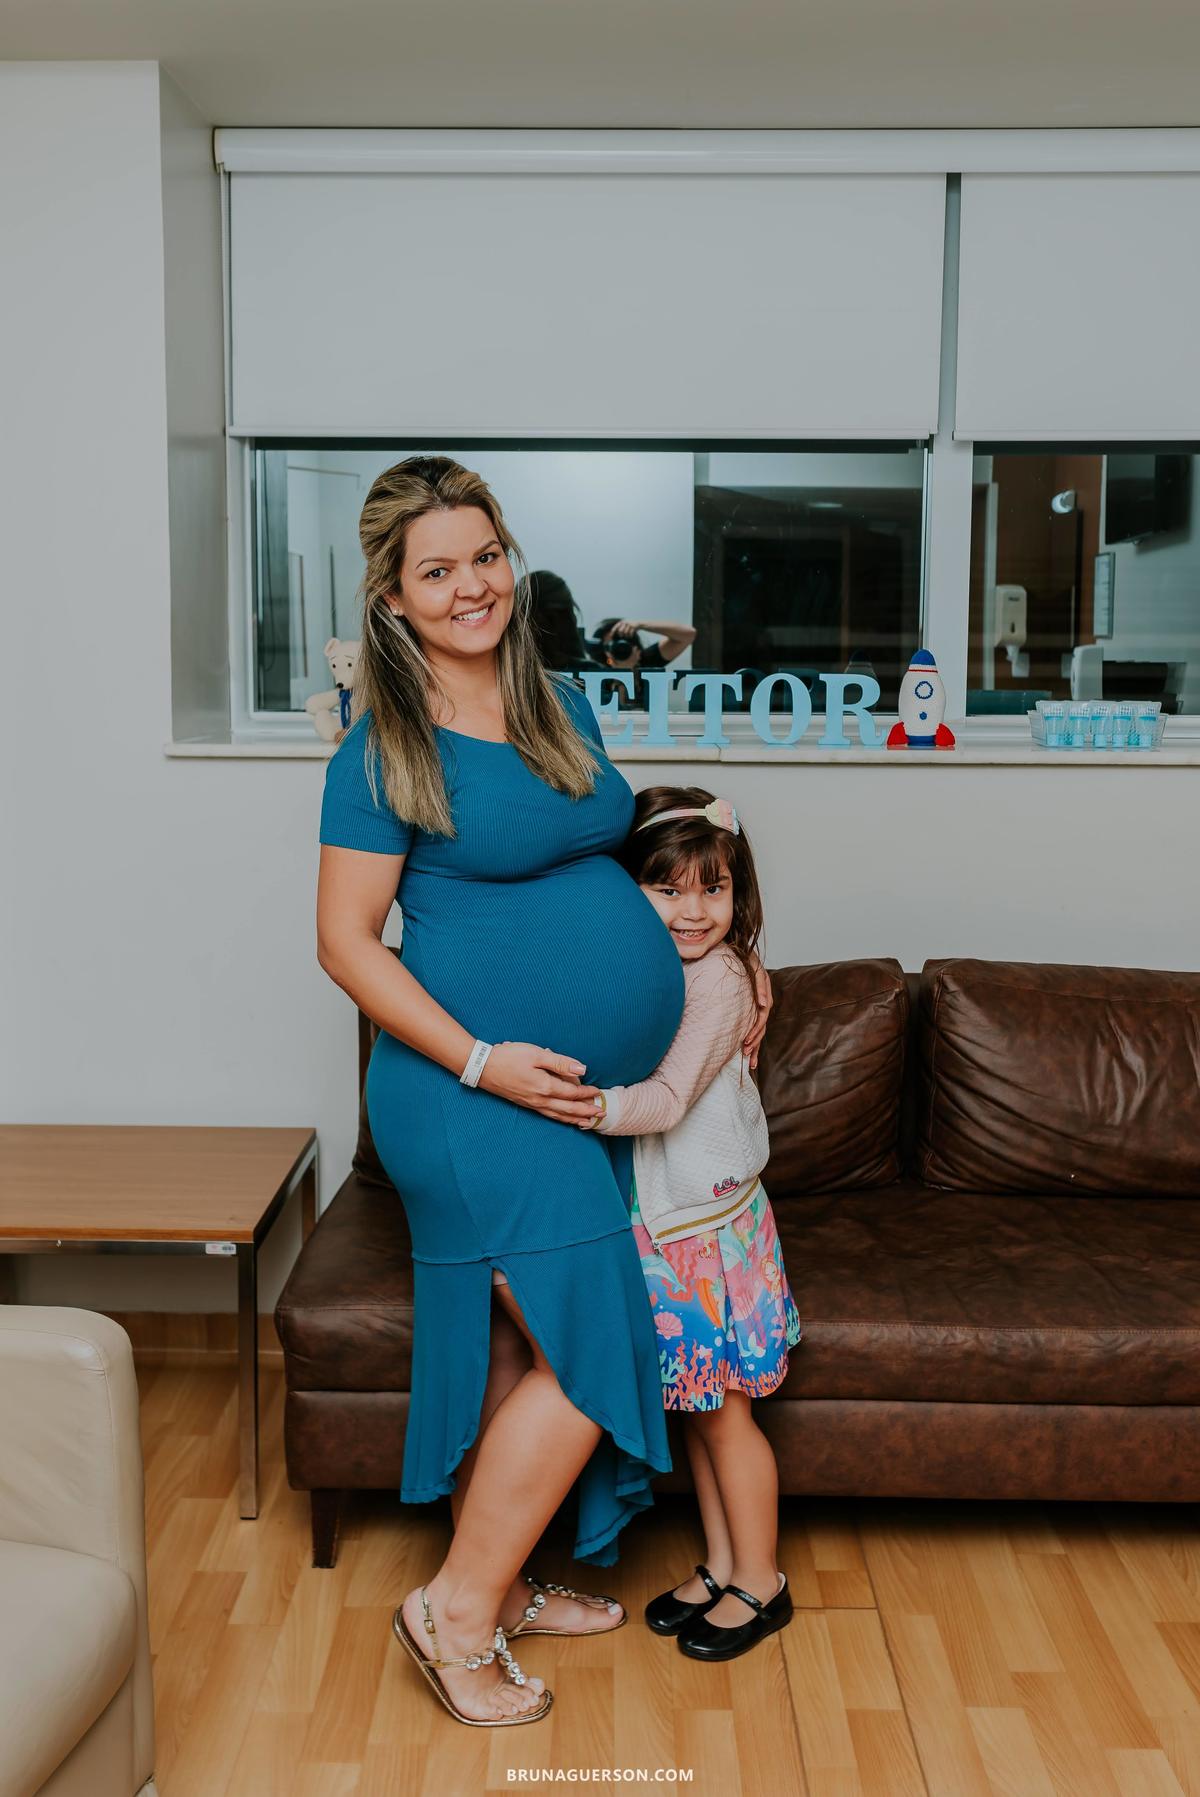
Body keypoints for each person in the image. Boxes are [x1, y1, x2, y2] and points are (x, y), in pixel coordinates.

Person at [314, 457, 774, 1727]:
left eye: (484, 557)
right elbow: (346, 943)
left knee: (523, 1343)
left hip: (549, 1098)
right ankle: (454, 1615)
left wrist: (734, 957)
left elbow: (619, 864)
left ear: (510, 558)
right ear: (395, 599)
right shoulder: (382, 749)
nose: (472, 588)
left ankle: (502, 1580)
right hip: (466, 1098)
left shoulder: (559, 700)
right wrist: (479, 1059)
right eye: (438, 571)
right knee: (593, 1339)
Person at [578, 785, 802, 1662]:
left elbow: (666, 1100)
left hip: (710, 1231)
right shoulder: (668, 967)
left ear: (739, 895)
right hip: (675, 1228)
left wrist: (580, 1104)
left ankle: (763, 1580)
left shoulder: (715, 980)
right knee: (701, 1412)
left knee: (726, 1419)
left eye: (715, 889)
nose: (695, 909)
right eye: (669, 888)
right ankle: (721, 1563)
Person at [590, 614, 698, 710]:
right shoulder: (597, 672)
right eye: (611, 646)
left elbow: (689, 634)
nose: (619, 649)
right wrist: (622, 674)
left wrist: (640, 625)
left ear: (633, 643)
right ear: (603, 650)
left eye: (621, 642)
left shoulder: (646, 660)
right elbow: (618, 715)